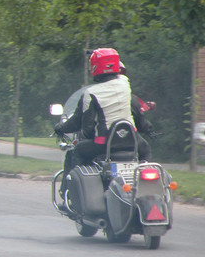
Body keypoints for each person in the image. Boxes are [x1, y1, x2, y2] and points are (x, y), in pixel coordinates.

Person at [54, 48, 151, 197]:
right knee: (145, 151)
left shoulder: (90, 93)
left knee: (77, 151)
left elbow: (83, 125)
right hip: (132, 141)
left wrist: (60, 128)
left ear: (93, 67)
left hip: (104, 145)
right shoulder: (125, 85)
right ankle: (143, 185)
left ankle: (72, 193)